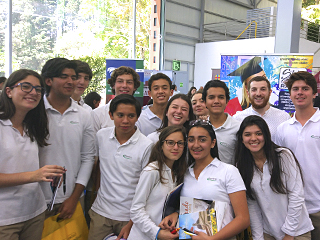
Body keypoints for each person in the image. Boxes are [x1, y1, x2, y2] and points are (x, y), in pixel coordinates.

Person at [0, 69, 65, 239]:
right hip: (5, 218)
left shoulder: (32, 127)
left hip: (34, 212)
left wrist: (49, 175)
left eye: (38, 89)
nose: (33, 93)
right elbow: (30, 174)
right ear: (8, 91)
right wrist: (34, 175)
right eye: (26, 87)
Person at [160, 120, 250, 240]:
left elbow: (243, 219)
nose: (196, 145)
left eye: (202, 139)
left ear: (213, 143)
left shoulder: (228, 171)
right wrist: (176, 214)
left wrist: (212, 239)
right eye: (191, 140)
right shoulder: (184, 173)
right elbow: (191, 208)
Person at [236, 115, 313, 240]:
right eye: (248, 134)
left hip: (296, 232)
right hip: (268, 233)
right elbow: (252, 205)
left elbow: (296, 195)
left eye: (258, 133)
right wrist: (258, 237)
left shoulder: (283, 156)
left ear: (266, 135)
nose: (253, 138)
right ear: (241, 139)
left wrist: (289, 233)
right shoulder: (242, 166)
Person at [88, 94, 153, 240]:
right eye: (120, 115)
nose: (125, 120)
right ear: (111, 115)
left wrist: (132, 222)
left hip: (130, 217)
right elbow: (98, 168)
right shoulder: (101, 136)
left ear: (137, 117)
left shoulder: (147, 145)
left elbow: (147, 187)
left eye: (131, 116)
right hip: (101, 213)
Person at [40, 58, 95, 219]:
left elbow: (87, 158)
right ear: (48, 80)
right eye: (64, 77)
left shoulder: (84, 115)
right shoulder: (34, 112)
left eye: (73, 77)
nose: (71, 81)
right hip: (35, 200)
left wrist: (74, 197)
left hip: (72, 198)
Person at [276, 71, 320, 240]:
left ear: (314, 93)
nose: (300, 92)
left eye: (305, 88)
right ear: (290, 94)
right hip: (291, 209)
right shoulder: (283, 129)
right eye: (295, 89)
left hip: (317, 208)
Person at [128, 126, 187, 240]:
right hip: (143, 236)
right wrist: (157, 233)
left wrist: (176, 214)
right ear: (161, 145)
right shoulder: (152, 171)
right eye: (170, 142)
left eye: (180, 143)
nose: (176, 147)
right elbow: (136, 210)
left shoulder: (178, 172)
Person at [233, 76, 290, 141]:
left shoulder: (284, 118)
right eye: (254, 90)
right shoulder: (237, 119)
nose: (258, 94)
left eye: (263, 89)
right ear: (248, 93)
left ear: (270, 92)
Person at [92, 66, 141, 133]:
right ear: (113, 85)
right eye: (120, 81)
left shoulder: (142, 115)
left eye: (129, 82)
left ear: (135, 87)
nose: (124, 85)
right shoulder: (97, 114)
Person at [202, 80, 240, 165]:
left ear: (227, 101)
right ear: (205, 102)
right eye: (211, 97)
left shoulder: (237, 128)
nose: (216, 101)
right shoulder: (200, 127)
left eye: (221, 97)